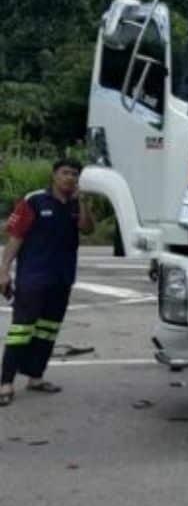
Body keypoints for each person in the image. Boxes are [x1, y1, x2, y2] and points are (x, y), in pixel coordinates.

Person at [1, 158, 94, 406]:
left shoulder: (76, 204)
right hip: (33, 277)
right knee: (21, 330)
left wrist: (83, 202)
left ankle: (35, 377)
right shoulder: (35, 201)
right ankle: (5, 383)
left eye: (74, 174)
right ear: (54, 175)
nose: (70, 178)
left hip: (62, 278)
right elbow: (15, 238)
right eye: (65, 173)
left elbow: (87, 229)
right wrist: (4, 271)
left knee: (48, 330)